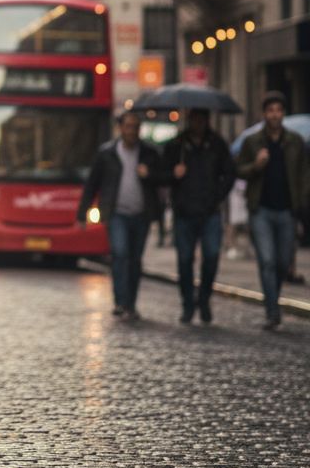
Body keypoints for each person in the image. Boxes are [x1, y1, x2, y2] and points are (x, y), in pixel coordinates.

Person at [75, 110, 162, 321]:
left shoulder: (150, 153)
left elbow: (163, 180)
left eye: (135, 127)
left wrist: (149, 174)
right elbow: (92, 184)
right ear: (120, 128)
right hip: (117, 214)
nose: (132, 131)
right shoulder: (107, 153)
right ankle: (120, 302)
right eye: (128, 126)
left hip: (141, 214)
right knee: (120, 254)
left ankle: (131, 303)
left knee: (134, 259)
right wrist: (83, 212)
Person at [237, 91, 309, 330]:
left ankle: (273, 300)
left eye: (278, 110)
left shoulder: (296, 142)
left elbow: (303, 173)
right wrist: (256, 165)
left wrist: (301, 201)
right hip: (261, 210)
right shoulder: (253, 142)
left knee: (281, 262)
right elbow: (240, 171)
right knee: (267, 261)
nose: (274, 115)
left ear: (283, 114)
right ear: (264, 114)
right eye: (270, 111)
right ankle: (272, 311)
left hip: (288, 209)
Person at [162, 108, 235, 324]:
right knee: (185, 261)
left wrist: (217, 196)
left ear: (207, 120)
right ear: (189, 120)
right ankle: (187, 304)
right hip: (184, 212)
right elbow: (162, 174)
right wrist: (173, 174)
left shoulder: (217, 144)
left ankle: (204, 299)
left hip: (210, 211)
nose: (198, 123)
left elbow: (229, 173)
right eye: (194, 119)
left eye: (202, 119)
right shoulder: (176, 145)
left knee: (211, 257)